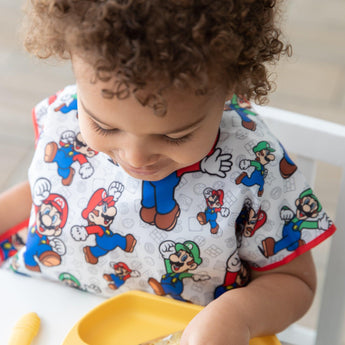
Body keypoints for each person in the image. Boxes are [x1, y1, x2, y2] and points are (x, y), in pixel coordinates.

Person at [0, 1, 336, 344]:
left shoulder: (254, 166)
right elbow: (49, 191)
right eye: (103, 126)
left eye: (174, 135)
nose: (136, 157)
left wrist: (238, 317)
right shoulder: (66, 119)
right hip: (40, 314)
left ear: (231, 90)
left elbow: (295, 282)